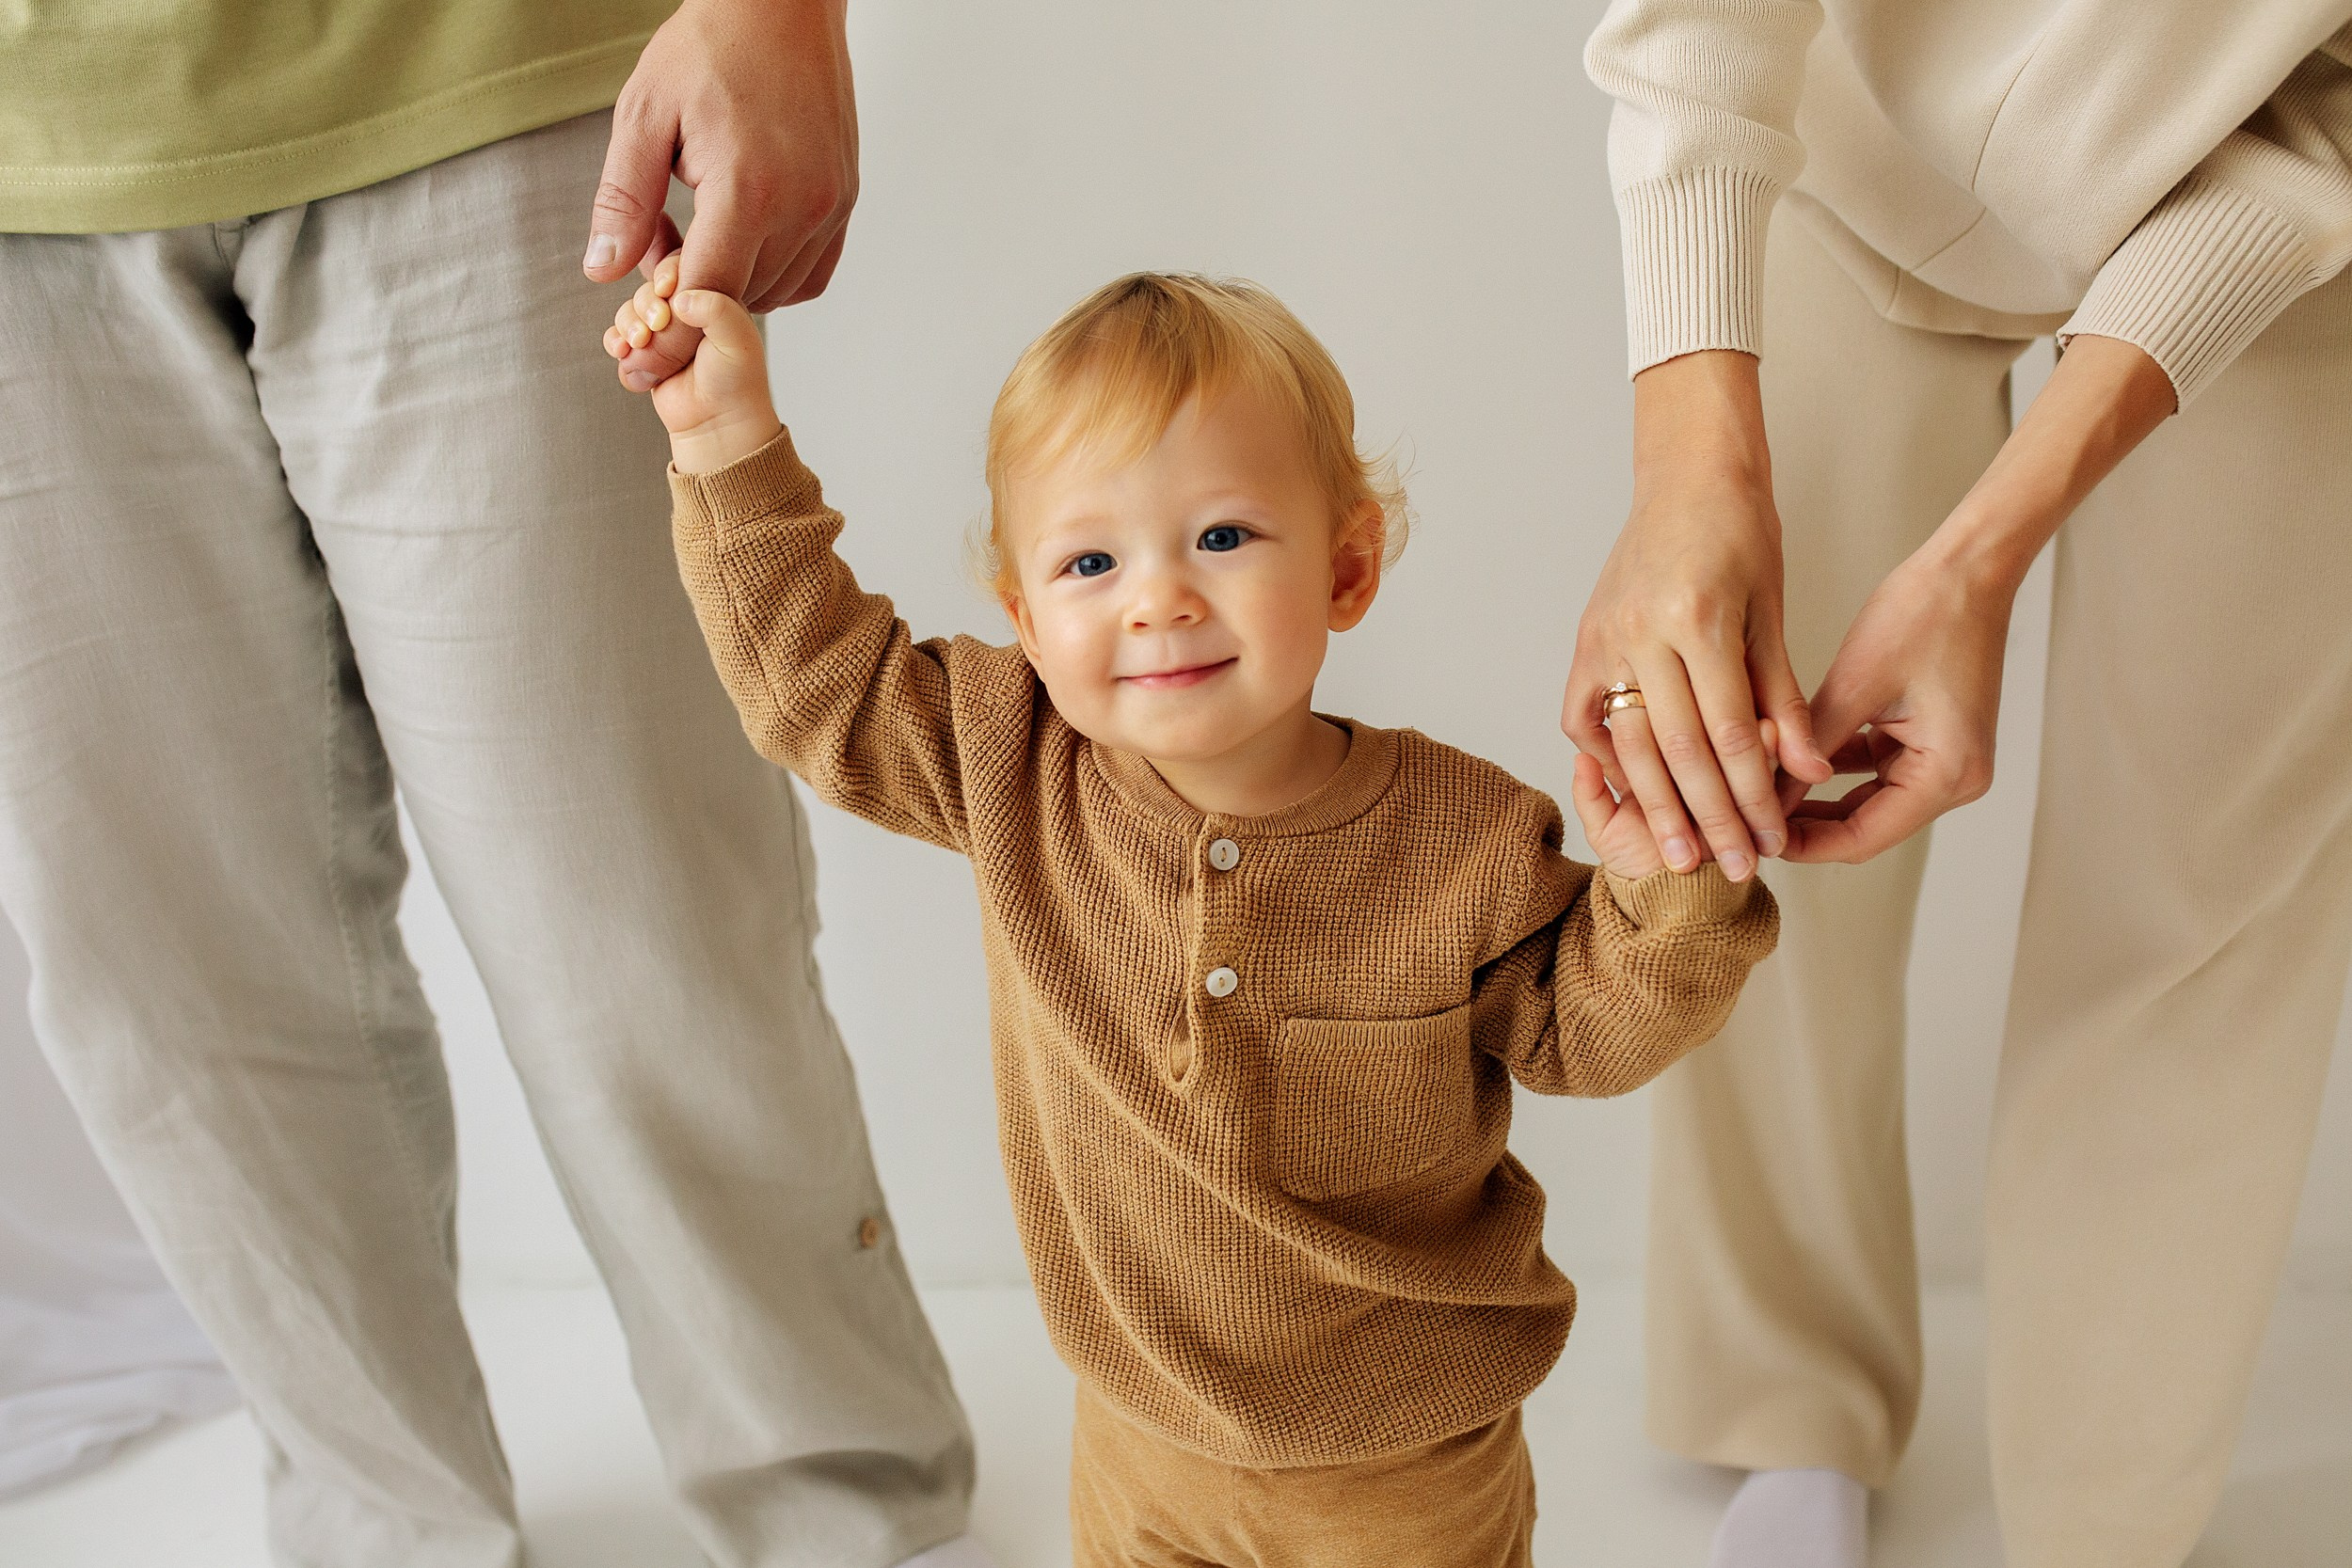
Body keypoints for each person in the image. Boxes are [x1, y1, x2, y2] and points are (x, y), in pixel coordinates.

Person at [0, 4, 994, 1565]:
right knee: (174, 993)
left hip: (482, 75)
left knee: (640, 923)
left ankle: (847, 1521)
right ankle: (381, 1532)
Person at [605, 261, 1780, 1567]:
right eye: (1091, 560)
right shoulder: (1007, 761)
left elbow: (1593, 1034)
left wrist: (1675, 864)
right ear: (1028, 622)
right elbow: (810, 687)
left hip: (1404, 1460)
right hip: (1137, 1441)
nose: (1157, 597)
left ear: (1346, 567)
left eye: (1221, 537)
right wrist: (723, 441)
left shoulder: (1465, 839)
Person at [1573, 5, 2352, 1566]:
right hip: (1852, 141)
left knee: (2192, 902)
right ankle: (1789, 1413)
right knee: (1734, 775)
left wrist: (1983, 553)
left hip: (2295, 221)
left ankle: (2104, 1520)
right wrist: (1689, 471)